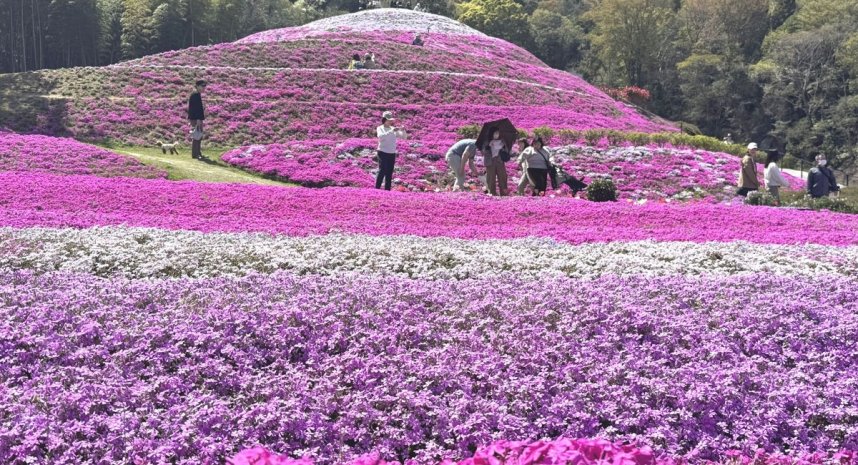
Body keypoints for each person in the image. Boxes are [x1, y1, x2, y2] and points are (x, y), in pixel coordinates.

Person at [376, 111, 406, 190]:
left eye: (391, 120)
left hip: (391, 153)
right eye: (389, 120)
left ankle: (387, 191)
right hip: (382, 152)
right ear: (384, 119)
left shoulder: (393, 128)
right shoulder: (380, 128)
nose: (390, 121)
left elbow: (403, 137)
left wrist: (403, 130)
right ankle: (377, 189)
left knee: (389, 172)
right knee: (382, 170)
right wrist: (391, 131)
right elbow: (381, 137)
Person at [482, 127, 509, 196]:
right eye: (495, 133)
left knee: (502, 177)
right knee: (491, 178)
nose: (497, 135)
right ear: (492, 133)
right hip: (490, 161)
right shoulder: (487, 141)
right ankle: (492, 193)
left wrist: (503, 148)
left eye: (498, 133)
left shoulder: (502, 141)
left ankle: (504, 194)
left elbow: (507, 151)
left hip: (499, 161)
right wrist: (488, 147)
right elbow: (483, 152)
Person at [187, 80, 206, 160]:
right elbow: (195, 109)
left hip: (197, 118)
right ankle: (196, 154)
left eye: (204, 86)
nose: (204, 88)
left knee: (198, 135)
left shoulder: (197, 94)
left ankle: (198, 153)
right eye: (202, 86)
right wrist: (198, 119)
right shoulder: (195, 95)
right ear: (197, 86)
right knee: (196, 136)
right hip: (196, 119)